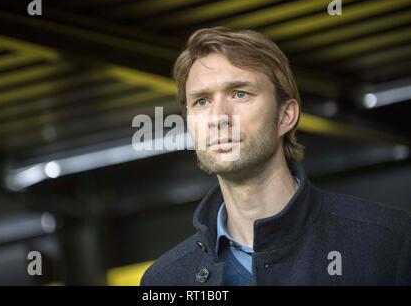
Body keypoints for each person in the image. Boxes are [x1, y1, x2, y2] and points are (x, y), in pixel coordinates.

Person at [140, 26, 411, 286]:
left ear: (285, 116)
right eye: (201, 101)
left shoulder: (389, 242)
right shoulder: (165, 280)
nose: (218, 117)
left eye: (240, 93)